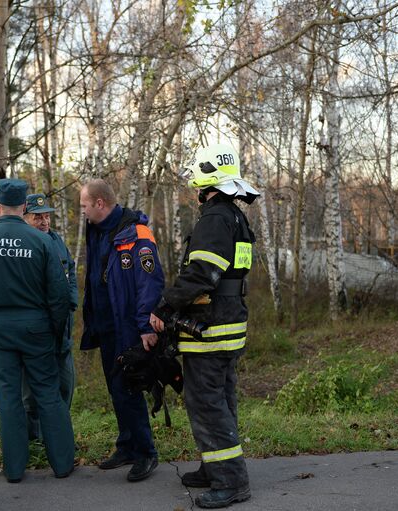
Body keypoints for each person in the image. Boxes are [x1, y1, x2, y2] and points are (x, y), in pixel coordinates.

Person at [149, 143, 259, 508]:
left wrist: (164, 305)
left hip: (210, 329)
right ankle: (214, 468)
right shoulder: (235, 215)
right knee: (221, 400)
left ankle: (230, 480)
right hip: (228, 324)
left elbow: (202, 274)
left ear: (207, 177)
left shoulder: (214, 218)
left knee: (206, 403)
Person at [0, 179, 74, 483]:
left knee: (9, 398)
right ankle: (63, 465)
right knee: (49, 394)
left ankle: (14, 470)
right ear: (24, 206)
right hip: (37, 328)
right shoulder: (42, 241)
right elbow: (60, 293)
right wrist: (54, 328)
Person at [79, 178, 164, 482]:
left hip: (129, 327)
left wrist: (145, 326)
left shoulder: (136, 233)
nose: (83, 211)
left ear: (99, 203)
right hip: (105, 326)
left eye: (85, 205)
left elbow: (149, 283)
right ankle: (127, 445)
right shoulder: (95, 230)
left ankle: (146, 453)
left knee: (129, 389)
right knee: (116, 390)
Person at [21, 193, 77, 441]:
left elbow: (71, 272)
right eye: (37, 217)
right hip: (36, 326)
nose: (44, 222)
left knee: (65, 383)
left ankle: (55, 436)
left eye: (46, 217)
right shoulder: (22, 243)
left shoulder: (56, 240)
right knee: (31, 391)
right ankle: (32, 439)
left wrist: (72, 301)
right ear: (25, 218)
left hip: (62, 325)